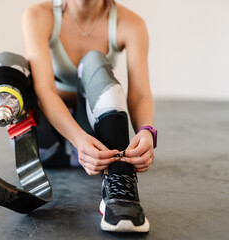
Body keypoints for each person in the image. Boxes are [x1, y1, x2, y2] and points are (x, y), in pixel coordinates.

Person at [20, 0, 157, 232]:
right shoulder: (39, 15)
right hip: (53, 144)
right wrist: (78, 139)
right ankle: (101, 165)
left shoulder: (131, 24)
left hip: (99, 148)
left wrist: (146, 130)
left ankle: (120, 190)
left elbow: (141, 94)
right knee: (7, 67)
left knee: (94, 60)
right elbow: (44, 91)